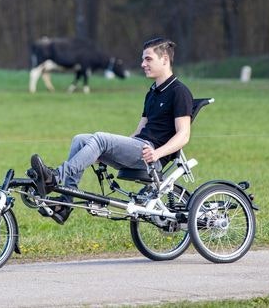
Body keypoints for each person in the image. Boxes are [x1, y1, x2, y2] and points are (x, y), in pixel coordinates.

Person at [29, 37, 194, 224]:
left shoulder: (179, 92)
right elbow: (139, 132)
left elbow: (183, 135)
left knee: (100, 138)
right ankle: (65, 204)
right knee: (81, 139)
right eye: (143, 59)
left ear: (164, 59)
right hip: (139, 147)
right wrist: (103, 151)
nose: (142, 64)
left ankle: (55, 176)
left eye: (148, 59)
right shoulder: (152, 92)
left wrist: (157, 153)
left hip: (151, 156)